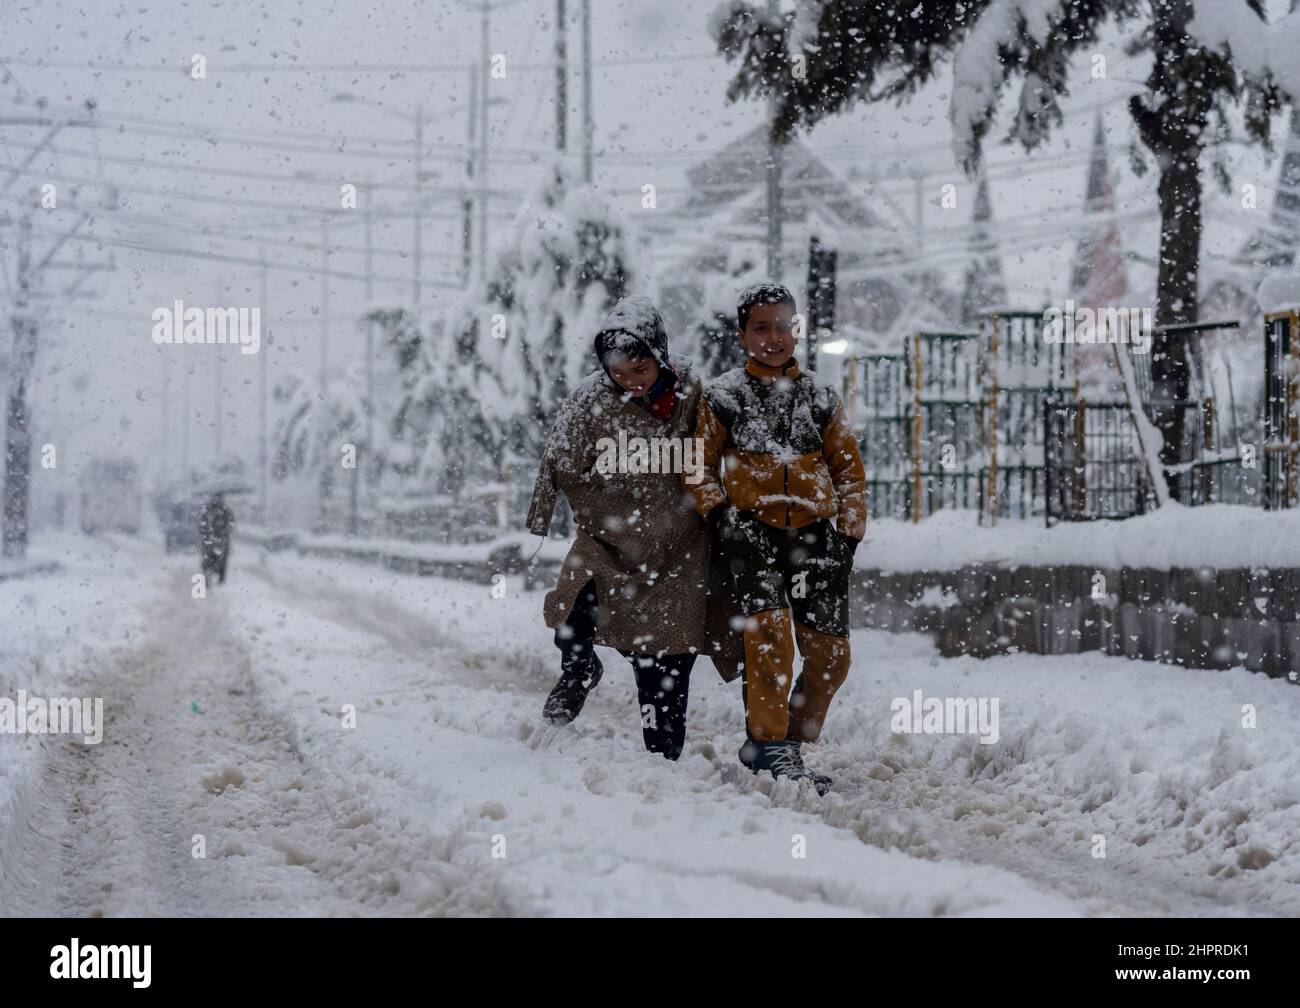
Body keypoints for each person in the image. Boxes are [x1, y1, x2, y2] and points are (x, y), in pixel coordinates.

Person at [527, 296, 742, 761]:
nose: (629, 382)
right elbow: (560, 462)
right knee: (571, 615)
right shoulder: (588, 399)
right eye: (618, 373)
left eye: (639, 371)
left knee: (664, 661)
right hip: (607, 541)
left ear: (660, 357)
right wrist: (606, 509)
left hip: (678, 549)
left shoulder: (692, 395)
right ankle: (580, 670)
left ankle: (663, 756)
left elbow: (713, 452)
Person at [688, 282, 866, 793]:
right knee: (768, 642)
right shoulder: (723, 396)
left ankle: (791, 738)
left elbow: (849, 469)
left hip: (816, 539)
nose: (774, 337)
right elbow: (697, 467)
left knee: (832, 653)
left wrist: (848, 536)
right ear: (742, 334)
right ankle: (769, 747)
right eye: (761, 328)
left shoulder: (819, 396)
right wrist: (724, 518)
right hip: (752, 535)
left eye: (783, 325)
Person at [199, 492, 233, 587]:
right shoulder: (209, 510)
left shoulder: (225, 511)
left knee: (220, 561)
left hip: (219, 541)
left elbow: (230, 524)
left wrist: (223, 531)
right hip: (210, 541)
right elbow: (202, 525)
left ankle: (219, 580)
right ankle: (209, 579)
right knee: (208, 561)